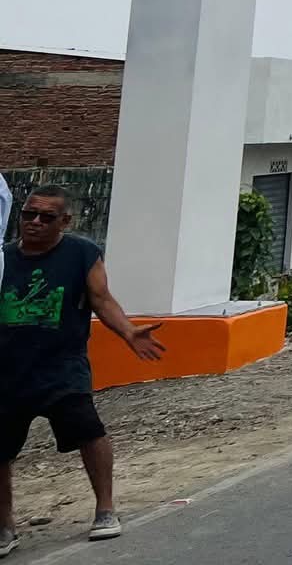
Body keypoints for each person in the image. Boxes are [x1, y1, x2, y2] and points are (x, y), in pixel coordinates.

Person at [1, 185, 164, 553]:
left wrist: (128, 332)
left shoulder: (81, 253)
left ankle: (105, 509)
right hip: (8, 370)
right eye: (28, 214)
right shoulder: (3, 258)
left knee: (89, 431)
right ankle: (5, 526)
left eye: (47, 217)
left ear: (65, 221)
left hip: (62, 367)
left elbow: (101, 300)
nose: (35, 222)